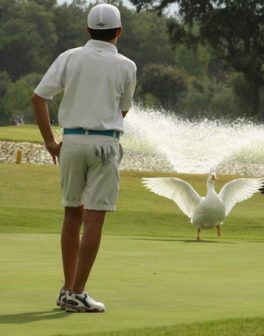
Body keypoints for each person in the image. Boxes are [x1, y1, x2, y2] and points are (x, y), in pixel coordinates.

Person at [32, 3, 136, 313]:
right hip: (104, 144)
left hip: (72, 141)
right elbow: (123, 110)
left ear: (88, 30)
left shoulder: (69, 57)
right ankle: (77, 291)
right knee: (94, 217)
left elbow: (39, 97)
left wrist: (51, 141)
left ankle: (68, 290)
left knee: (71, 214)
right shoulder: (127, 66)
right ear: (119, 32)